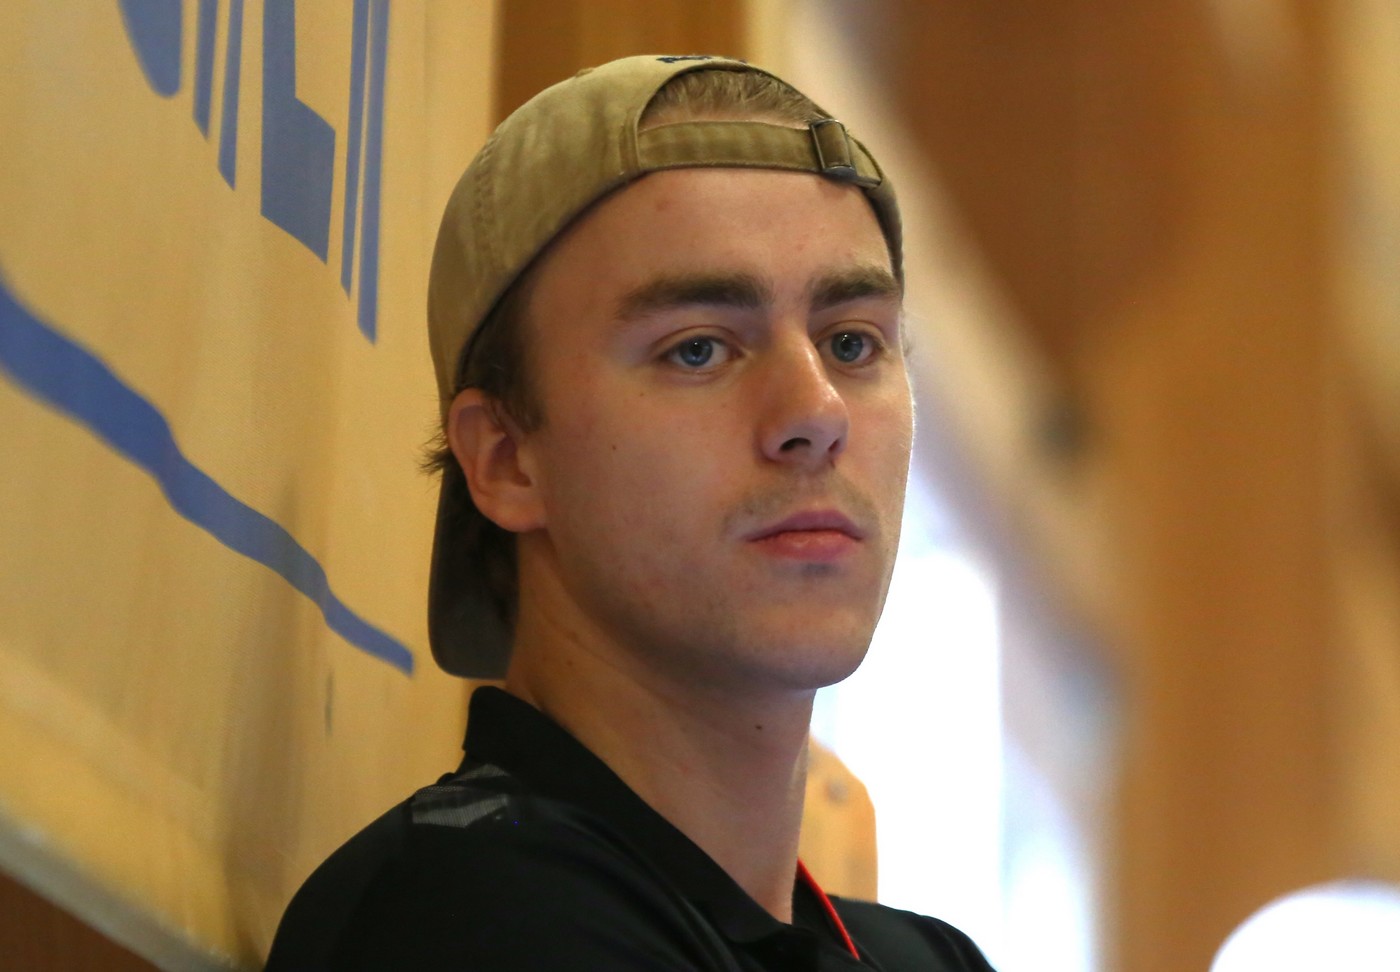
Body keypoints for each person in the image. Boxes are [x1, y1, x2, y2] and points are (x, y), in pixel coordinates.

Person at [265, 54, 996, 971]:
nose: (816, 412)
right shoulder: (473, 916)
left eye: (851, 342)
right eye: (698, 350)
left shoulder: (924, 958)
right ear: (506, 459)